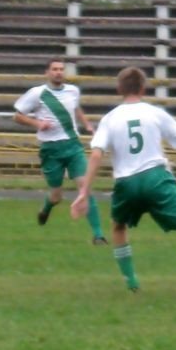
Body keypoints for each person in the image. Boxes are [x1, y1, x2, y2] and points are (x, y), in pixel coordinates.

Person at [71, 66, 176, 298]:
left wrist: (83, 192)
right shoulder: (154, 113)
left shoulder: (109, 119)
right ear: (143, 88)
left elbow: (97, 154)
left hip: (126, 183)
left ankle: (132, 283)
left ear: (119, 89)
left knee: (119, 227)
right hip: (156, 178)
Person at [14, 58, 106, 245]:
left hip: (73, 146)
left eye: (61, 69)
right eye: (55, 69)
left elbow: (76, 109)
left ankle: (98, 235)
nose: (58, 72)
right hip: (50, 150)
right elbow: (17, 116)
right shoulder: (38, 93)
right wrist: (38, 123)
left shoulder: (73, 91)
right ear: (47, 72)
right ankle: (47, 207)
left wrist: (86, 123)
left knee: (84, 189)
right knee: (57, 196)